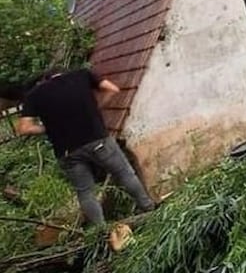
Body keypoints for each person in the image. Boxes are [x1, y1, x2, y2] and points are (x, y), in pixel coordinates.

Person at [16, 68, 155, 226]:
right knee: (124, 174)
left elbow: (24, 128)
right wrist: (96, 107)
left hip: (68, 152)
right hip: (98, 140)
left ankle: (100, 231)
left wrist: (50, 127)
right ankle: (148, 208)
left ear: (44, 79)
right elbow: (112, 89)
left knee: (85, 192)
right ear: (61, 73)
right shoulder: (82, 75)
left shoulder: (35, 94)